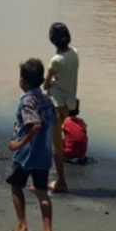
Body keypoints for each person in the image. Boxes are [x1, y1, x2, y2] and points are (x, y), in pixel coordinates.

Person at [6, 58, 57, 231]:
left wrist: (18, 144)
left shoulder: (28, 101)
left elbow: (34, 125)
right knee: (42, 193)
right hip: (43, 154)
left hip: (26, 154)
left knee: (16, 186)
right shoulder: (47, 100)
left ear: (23, 82)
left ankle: (22, 225)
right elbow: (53, 122)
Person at [44, 22, 78, 193]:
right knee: (55, 139)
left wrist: (48, 78)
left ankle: (61, 182)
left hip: (58, 104)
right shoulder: (75, 54)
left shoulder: (55, 60)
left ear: (52, 40)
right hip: (69, 103)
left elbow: (46, 84)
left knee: (56, 144)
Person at [62, 99, 88, 164]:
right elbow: (84, 132)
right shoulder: (81, 121)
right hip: (82, 152)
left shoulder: (65, 122)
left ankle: (65, 157)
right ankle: (81, 157)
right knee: (81, 137)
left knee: (60, 140)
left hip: (69, 152)